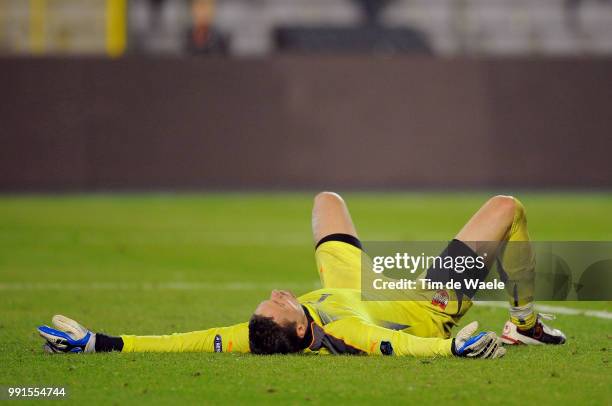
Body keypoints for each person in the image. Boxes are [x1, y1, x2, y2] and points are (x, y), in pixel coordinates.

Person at [37, 193, 565, 358]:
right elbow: (392, 348)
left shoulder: (260, 335)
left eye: (271, 300)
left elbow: (180, 342)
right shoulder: (343, 332)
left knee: (326, 201)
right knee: (507, 208)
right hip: (428, 299)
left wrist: (99, 343)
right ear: (301, 329)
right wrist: (451, 350)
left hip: (350, 278)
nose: (277, 294)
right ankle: (524, 321)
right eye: (282, 304)